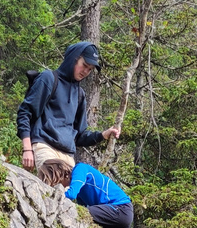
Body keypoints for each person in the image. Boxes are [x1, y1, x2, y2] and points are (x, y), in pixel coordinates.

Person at [16, 42, 121, 177]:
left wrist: (103, 135)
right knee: (54, 190)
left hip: (68, 157)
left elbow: (79, 136)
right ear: (74, 58)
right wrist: (27, 148)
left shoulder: (80, 95)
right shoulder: (48, 79)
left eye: (90, 69)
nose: (85, 72)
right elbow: (25, 112)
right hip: (44, 146)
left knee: (66, 197)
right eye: (84, 65)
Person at [39, 160, 134, 228]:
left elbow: (72, 195)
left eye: (56, 182)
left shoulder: (80, 169)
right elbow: (81, 208)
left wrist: (54, 197)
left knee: (81, 215)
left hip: (120, 209)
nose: (58, 185)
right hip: (119, 217)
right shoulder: (81, 190)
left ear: (59, 174)